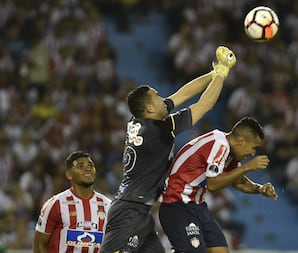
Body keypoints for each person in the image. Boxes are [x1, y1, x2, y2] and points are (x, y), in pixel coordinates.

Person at [99, 45, 236, 253]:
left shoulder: (142, 122)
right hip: (130, 211)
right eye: (157, 96)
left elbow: (182, 94)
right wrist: (223, 73)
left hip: (140, 210)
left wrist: (213, 73)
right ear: (150, 108)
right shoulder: (158, 129)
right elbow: (204, 105)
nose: (163, 99)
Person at [159, 116, 278, 253]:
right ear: (241, 141)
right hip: (177, 204)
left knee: (221, 251)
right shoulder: (219, 144)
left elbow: (238, 182)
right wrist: (247, 167)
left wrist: (260, 189)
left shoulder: (229, 151)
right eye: (253, 147)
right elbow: (212, 184)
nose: (252, 153)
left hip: (197, 206)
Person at [33, 151, 112, 253]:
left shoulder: (108, 205)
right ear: (69, 175)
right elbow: (39, 243)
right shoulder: (56, 204)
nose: (87, 169)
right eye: (80, 166)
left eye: (91, 165)